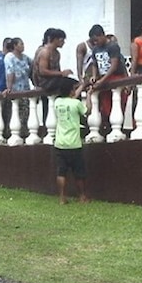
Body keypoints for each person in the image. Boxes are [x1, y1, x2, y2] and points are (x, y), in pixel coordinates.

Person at [86, 25, 128, 135]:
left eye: (96, 40)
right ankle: (107, 129)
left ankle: (117, 130)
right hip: (103, 79)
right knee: (105, 107)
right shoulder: (95, 49)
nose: (95, 43)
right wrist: (95, 76)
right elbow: (95, 64)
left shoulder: (112, 46)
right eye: (93, 41)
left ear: (102, 35)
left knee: (118, 104)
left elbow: (114, 66)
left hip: (116, 77)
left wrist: (102, 80)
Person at [53, 77, 88, 205]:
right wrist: (88, 95)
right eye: (73, 88)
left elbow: (71, 99)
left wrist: (81, 86)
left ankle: (62, 197)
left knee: (61, 172)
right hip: (74, 144)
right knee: (79, 172)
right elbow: (87, 110)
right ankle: (82, 197)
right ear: (70, 91)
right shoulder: (76, 104)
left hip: (60, 143)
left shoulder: (57, 102)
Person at [4, 37, 32, 138]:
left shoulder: (25, 58)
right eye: (21, 44)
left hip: (25, 89)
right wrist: (9, 87)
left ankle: (24, 133)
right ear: (15, 46)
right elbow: (10, 72)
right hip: (15, 90)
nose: (23, 46)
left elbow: (32, 69)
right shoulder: (9, 57)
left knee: (25, 114)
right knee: (13, 114)